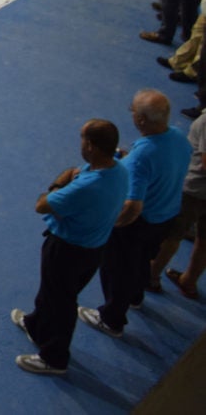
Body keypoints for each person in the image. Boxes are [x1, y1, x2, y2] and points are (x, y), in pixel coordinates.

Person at [11, 119, 129, 375]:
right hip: (93, 248)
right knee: (52, 291)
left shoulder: (86, 187)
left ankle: (54, 358)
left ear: (91, 146)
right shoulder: (119, 170)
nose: (80, 143)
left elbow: (42, 205)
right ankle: (36, 325)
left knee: (61, 302)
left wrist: (59, 182)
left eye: (83, 138)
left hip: (67, 250)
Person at [81, 90, 192, 338]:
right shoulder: (178, 137)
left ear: (141, 120)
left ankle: (111, 320)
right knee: (142, 261)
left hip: (140, 224)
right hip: (166, 216)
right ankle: (135, 296)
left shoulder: (142, 156)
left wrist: (113, 224)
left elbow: (133, 206)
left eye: (132, 110)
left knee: (117, 269)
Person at [150, 107, 206, 299]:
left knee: (173, 235)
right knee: (204, 240)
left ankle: (151, 276)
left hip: (193, 191)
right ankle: (189, 282)